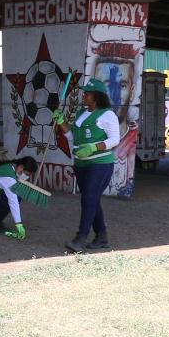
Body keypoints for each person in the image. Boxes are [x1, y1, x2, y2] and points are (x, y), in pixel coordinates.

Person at [59, 78, 119, 254]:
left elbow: (115, 140)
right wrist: (61, 122)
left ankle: (80, 238)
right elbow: (72, 137)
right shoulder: (81, 113)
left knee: (88, 199)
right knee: (91, 200)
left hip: (100, 163)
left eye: (87, 93)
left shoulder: (108, 115)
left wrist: (94, 147)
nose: (84, 96)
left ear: (96, 96)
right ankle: (102, 238)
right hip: (81, 163)